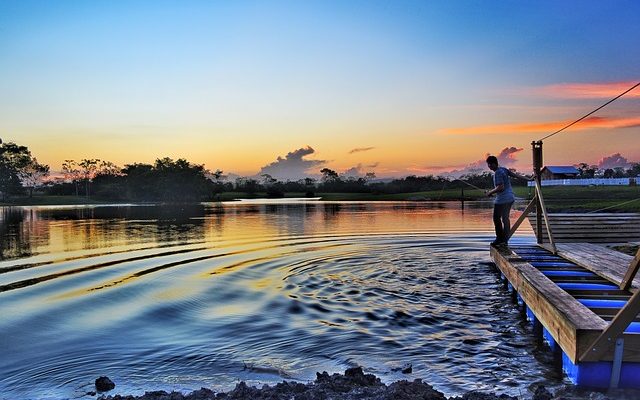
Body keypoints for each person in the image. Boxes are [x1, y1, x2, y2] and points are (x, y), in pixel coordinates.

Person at [485, 156, 531, 246]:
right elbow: (516, 175)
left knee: (496, 218)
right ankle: (505, 240)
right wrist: (528, 179)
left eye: (490, 164)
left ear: (495, 163)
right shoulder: (503, 169)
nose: (489, 166)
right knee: (505, 219)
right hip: (510, 198)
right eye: (488, 164)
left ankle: (499, 239)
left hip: (502, 200)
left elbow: (500, 187)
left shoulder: (497, 173)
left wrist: (490, 192)